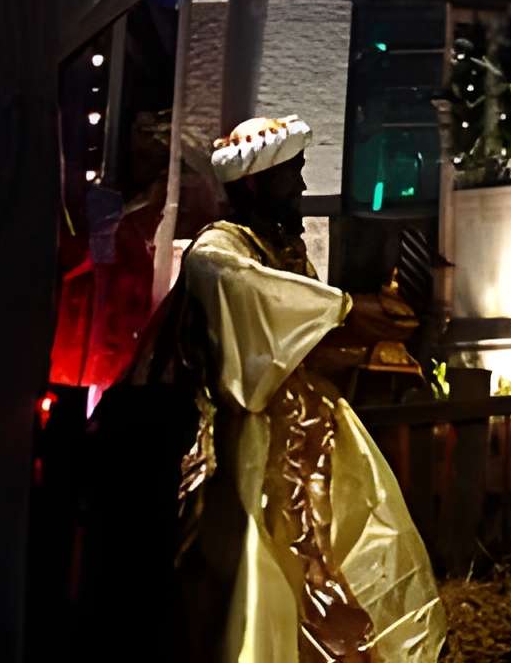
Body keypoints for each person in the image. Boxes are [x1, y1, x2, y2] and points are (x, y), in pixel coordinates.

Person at [107, 112, 445, 661]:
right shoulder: (218, 251)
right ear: (256, 183)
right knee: (252, 569)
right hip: (245, 451)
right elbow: (254, 300)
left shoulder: (282, 248)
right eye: (293, 174)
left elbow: (296, 339)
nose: (303, 186)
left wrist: (368, 341)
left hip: (305, 443)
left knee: (330, 556)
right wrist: (344, 308)